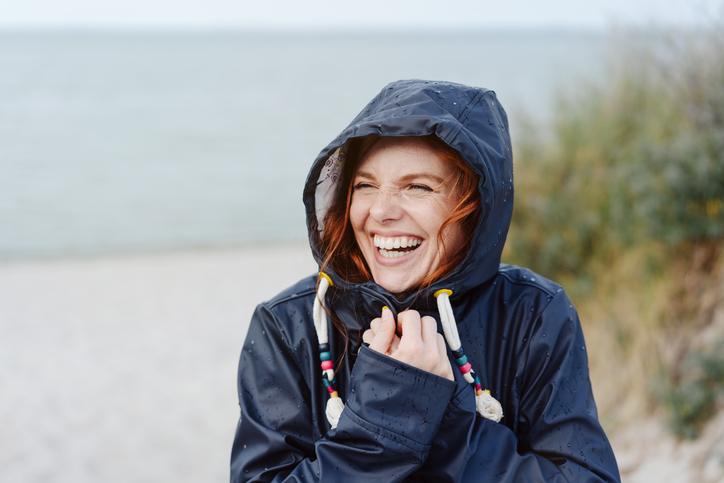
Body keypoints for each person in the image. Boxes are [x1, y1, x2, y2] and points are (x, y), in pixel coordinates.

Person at [230, 79, 620, 482]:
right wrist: (380, 424)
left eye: (417, 186)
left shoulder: (533, 315)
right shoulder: (288, 326)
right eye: (365, 185)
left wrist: (449, 423)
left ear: (476, 206)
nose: (380, 211)